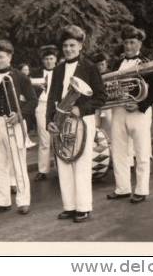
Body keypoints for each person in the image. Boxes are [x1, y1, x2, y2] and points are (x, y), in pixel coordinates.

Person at [46, 25, 106, 223]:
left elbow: (101, 96)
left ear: (80, 45)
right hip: (61, 120)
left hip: (81, 119)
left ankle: (84, 207)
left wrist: (82, 109)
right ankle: (70, 207)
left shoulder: (89, 67)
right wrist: (49, 121)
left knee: (81, 163)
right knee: (63, 162)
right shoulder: (58, 69)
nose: (69, 49)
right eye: (65, 45)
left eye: (73, 45)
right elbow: (51, 98)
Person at [0, 40, 37, 215]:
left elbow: (33, 101)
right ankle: (3, 201)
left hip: (13, 123)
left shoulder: (20, 77)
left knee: (18, 163)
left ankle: (23, 200)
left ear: (9, 57)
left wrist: (20, 115)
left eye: (1, 56)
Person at [106, 25, 153, 204]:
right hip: (118, 111)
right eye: (126, 42)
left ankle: (141, 189)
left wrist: (139, 104)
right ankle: (122, 188)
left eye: (132, 42)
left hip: (138, 112)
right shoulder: (117, 63)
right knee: (119, 150)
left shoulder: (146, 63)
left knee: (141, 151)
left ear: (139, 43)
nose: (128, 46)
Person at [31, 45, 58, 181]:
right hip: (41, 105)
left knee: (59, 137)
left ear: (55, 59)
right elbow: (28, 89)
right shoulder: (36, 73)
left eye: (51, 58)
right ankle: (43, 170)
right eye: (46, 59)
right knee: (44, 138)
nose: (48, 61)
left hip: (58, 106)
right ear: (43, 61)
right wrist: (37, 87)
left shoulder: (61, 72)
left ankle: (61, 167)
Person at [17, 63, 37, 149]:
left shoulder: (29, 79)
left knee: (27, 123)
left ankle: (26, 140)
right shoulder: (18, 79)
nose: (26, 71)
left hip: (28, 104)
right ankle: (25, 140)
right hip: (21, 103)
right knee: (23, 123)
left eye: (27, 70)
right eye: (24, 70)